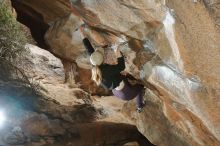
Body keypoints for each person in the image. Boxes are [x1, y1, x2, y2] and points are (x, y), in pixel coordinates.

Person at [80, 27, 145, 112]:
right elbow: (121, 67)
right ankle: (139, 106)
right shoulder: (105, 69)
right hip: (126, 94)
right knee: (140, 87)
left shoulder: (95, 64)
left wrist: (82, 33)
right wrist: (117, 51)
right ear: (102, 59)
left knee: (123, 76)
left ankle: (129, 83)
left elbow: (89, 49)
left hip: (116, 90)